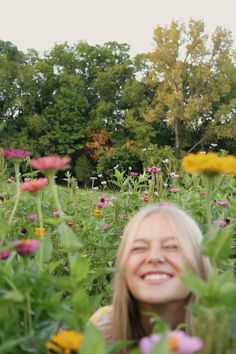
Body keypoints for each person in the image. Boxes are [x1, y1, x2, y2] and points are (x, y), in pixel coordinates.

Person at [90, 204, 211, 352]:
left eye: (172, 246)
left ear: (199, 263)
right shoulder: (103, 328)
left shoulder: (227, 335)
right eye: (139, 248)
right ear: (122, 266)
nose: (154, 257)